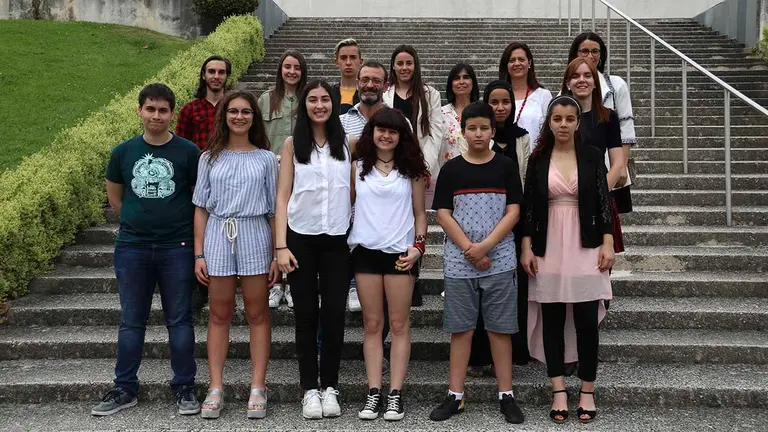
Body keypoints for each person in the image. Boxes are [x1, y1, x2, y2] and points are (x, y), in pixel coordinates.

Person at [93, 83, 200, 417]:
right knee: (131, 320)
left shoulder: (188, 152)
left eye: (163, 110)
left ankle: (185, 386)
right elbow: (116, 198)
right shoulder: (123, 152)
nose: (156, 116)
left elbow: (198, 198)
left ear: (172, 113)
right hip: (133, 247)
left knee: (180, 320)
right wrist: (136, 220)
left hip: (177, 247)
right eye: (150, 109)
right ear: (140, 111)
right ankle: (124, 388)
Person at [429, 102, 525, 425]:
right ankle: (455, 395)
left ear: (493, 131)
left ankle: (506, 394)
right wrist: (470, 248)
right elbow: (443, 213)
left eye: (485, 128)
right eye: (472, 128)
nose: (479, 133)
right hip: (459, 260)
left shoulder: (506, 167)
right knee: (461, 328)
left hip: (499, 258)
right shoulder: (452, 169)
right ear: (463, 131)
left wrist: (485, 246)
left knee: (500, 328)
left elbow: (513, 211)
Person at [521, 95, 614, 424]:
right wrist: (526, 247)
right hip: (548, 246)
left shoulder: (591, 156)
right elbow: (529, 206)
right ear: (549, 122)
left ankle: (587, 390)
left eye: (569, 119)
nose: (563, 124)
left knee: (588, 320)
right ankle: (558, 388)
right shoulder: (538, 158)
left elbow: (604, 203)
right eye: (557, 119)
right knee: (553, 319)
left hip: (586, 244)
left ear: (577, 122)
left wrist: (608, 243)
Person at [192, 91, 279, 419]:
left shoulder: (267, 159)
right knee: (219, 313)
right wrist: (199, 253)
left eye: (246, 112)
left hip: (255, 232)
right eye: (233, 111)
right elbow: (200, 208)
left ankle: (258, 385)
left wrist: (275, 253)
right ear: (224, 116)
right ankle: (216, 385)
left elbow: (274, 210)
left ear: (254, 117)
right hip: (218, 234)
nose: (239, 117)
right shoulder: (209, 158)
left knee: (257, 312)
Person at [275, 79, 352, 420]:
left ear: (334, 103)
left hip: (337, 240)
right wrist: (280, 245)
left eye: (325, 99)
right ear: (304, 105)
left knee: (335, 313)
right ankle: (309, 389)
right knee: (305, 316)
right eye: (313, 100)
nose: (319, 105)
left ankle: (330, 386)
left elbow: (352, 190)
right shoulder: (293, 145)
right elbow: (282, 197)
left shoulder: (347, 143)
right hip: (300, 240)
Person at [348, 108, 428, 421]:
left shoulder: (412, 170)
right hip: (365, 251)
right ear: (372, 132)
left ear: (401, 135)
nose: (386, 135)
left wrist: (419, 248)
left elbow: (421, 214)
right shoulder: (357, 166)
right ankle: (373, 392)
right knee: (372, 324)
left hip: (400, 254)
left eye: (392, 131)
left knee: (398, 325)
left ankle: (395, 393)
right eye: (380, 129)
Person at [465, 80, 533, 378]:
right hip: (477, 227)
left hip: (513, 220)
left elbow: (527, 180)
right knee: (478, 290)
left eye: (506, 101)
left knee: (509, 291)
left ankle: (512, 352)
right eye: (494, 101)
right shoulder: (476, 138)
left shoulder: (523, 137)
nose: (501, 107)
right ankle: (479, 355)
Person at [176, 55, 232, 311]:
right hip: (197, 181)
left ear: (227, 76)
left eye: (221, 72)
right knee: (197, 234)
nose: (216, 76)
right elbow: (180, 146)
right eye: (211, 71)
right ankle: (199, 288)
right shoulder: (191, 109)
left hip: (229, 179)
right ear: (204, 75)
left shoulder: (233, 107)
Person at [561, 58, 627, 254]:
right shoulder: (559, 117)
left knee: (600, 259)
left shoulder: (609, 117)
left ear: (595, 82)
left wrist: (600, 191)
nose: (582, 80)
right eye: (575, 76)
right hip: (565, 196)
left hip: (599, 195)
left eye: (587, 75)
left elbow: (617, 163)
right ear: (568, 83)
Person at [258, 49, 308, 309]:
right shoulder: (266, 99)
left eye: (296, 67)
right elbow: (257, 135)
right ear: (280, 70)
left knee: (294, 223)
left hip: (301, 170)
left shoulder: (308, 99)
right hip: (271, 169)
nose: (291, 72)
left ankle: (291, 281)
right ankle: (276, 283)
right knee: (274, 223)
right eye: (287, 67)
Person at [340, 60, 389, 313]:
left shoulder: (398, 121)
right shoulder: (340, 122)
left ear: (386, 85)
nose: (370, 85)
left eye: (376, 80)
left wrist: (355, 147)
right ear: (356, 83)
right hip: (348, 211)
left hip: (385, 216)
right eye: (365, 80)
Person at [569, 32, 636, 215]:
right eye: (584, 51)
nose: (590, 56)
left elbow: (626, 126)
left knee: (609, 216)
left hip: (611, 162)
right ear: (575, 53)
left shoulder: (616, 84)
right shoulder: (566, 91)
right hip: (575, 167)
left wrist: (621, 166)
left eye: (595, 51)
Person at [383, 44, 444, 206]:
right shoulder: (384, 96)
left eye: (409, 63)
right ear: (393, 66)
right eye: (400, 63)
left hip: (423, 165)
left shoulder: (431, 95)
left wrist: (424, 166)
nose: (404, 68)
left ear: (415, 65)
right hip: (391, 166)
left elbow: (436, 134)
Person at [499, 42, 552, 150]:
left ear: (529, 63)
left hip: (535, 159)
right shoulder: (498, 96)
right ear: (506, 65)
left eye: (521, 59)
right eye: (512, 60)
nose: (517, 63)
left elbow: (550, 131)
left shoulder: (543, 95)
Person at [439, 62, 480, 166]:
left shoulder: (482, 112)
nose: (461, 82)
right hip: (448, 173)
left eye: (466, 77)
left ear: (473, 82)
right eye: (456, 78)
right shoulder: (440, 114)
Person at [331, 38, 363, 115]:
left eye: (353, 57)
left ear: (361, 61)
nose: (348, 62)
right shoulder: (328, 93)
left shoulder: (368, 93)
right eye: (343, 58)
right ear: (336, 62)